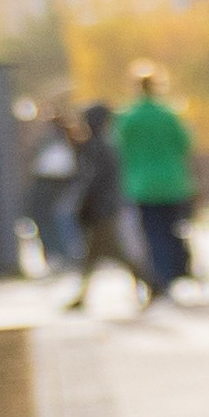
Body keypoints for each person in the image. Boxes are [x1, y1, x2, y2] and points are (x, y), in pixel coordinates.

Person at [117, 66, 197, 296]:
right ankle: (179, 270)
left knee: (152, 233)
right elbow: (185, 144)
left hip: (142, 183)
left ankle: (161, 277)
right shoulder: (169, 114)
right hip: (173, 181)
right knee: (174, 229)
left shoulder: (128, 117)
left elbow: (119, 147)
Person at [63, 101, 147, 312]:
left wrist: (82, 204)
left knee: (113, 253)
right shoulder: (105, 144)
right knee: (96, 255)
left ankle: (152, 282)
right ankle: (82, 295)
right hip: (104, 207)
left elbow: (92, 181)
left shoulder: (98, 146)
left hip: (102, 209)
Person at [27, 101, 81, 271]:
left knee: (53, 218)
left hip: (53, 180)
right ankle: (59, 254)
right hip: (54, 180)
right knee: (52, 218)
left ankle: (59, 254)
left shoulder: (55, 138)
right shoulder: (63, 138)